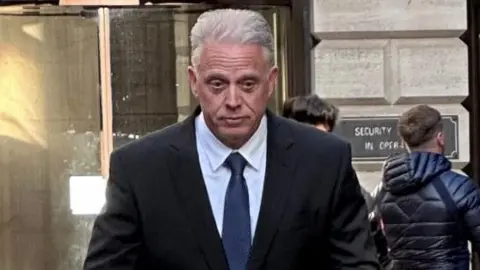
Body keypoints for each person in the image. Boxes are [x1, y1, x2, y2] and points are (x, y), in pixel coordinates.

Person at [84, 9, 379, 270]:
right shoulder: (139, 169)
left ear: (271, 81)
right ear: (193, 81)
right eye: (217, 83)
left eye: (248, 84)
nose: (233, 100)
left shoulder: (324, 161)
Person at [282, 94, 390, 267]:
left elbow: (375, 256)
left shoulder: (356, 197)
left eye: (323, 139)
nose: (315, 148)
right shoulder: (265, 187)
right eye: (307, 138)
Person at [372, 105, 480, 269]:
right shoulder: (460, 188)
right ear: (441, 138)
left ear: (404, 142)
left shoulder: (384, 189)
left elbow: (372, 241)